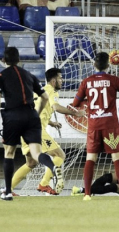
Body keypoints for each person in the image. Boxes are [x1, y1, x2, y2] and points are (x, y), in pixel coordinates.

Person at [72, 52, 119, 201]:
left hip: (94, 125)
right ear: (109, 65)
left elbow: (75, 104)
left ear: (94, 65)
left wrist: (87, 106)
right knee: (117, 158)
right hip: (110, 125)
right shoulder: (113, 80)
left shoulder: (86, 81)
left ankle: (87, 194)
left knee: (91, 158)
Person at [0, 47, 62, 201]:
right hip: (31, 116)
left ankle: (7, 192)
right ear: (19, 60)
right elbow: (45, 98)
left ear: (3, 60)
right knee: (36, 154)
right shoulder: (30, 75)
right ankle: (52, 167)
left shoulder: (2, 75)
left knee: (9, 153)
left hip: (12, 115)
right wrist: (36, 113)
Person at [10, 68, 86, 195]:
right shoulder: (51, 92)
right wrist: (76, 113)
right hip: (35, 130)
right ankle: (44, 184)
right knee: (60, 155)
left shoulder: (37, 92)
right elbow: (55, 107)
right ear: (53, 80)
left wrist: (51, 123)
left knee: (31, 163)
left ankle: (8, 188)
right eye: (60, 78)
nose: (62, 80)